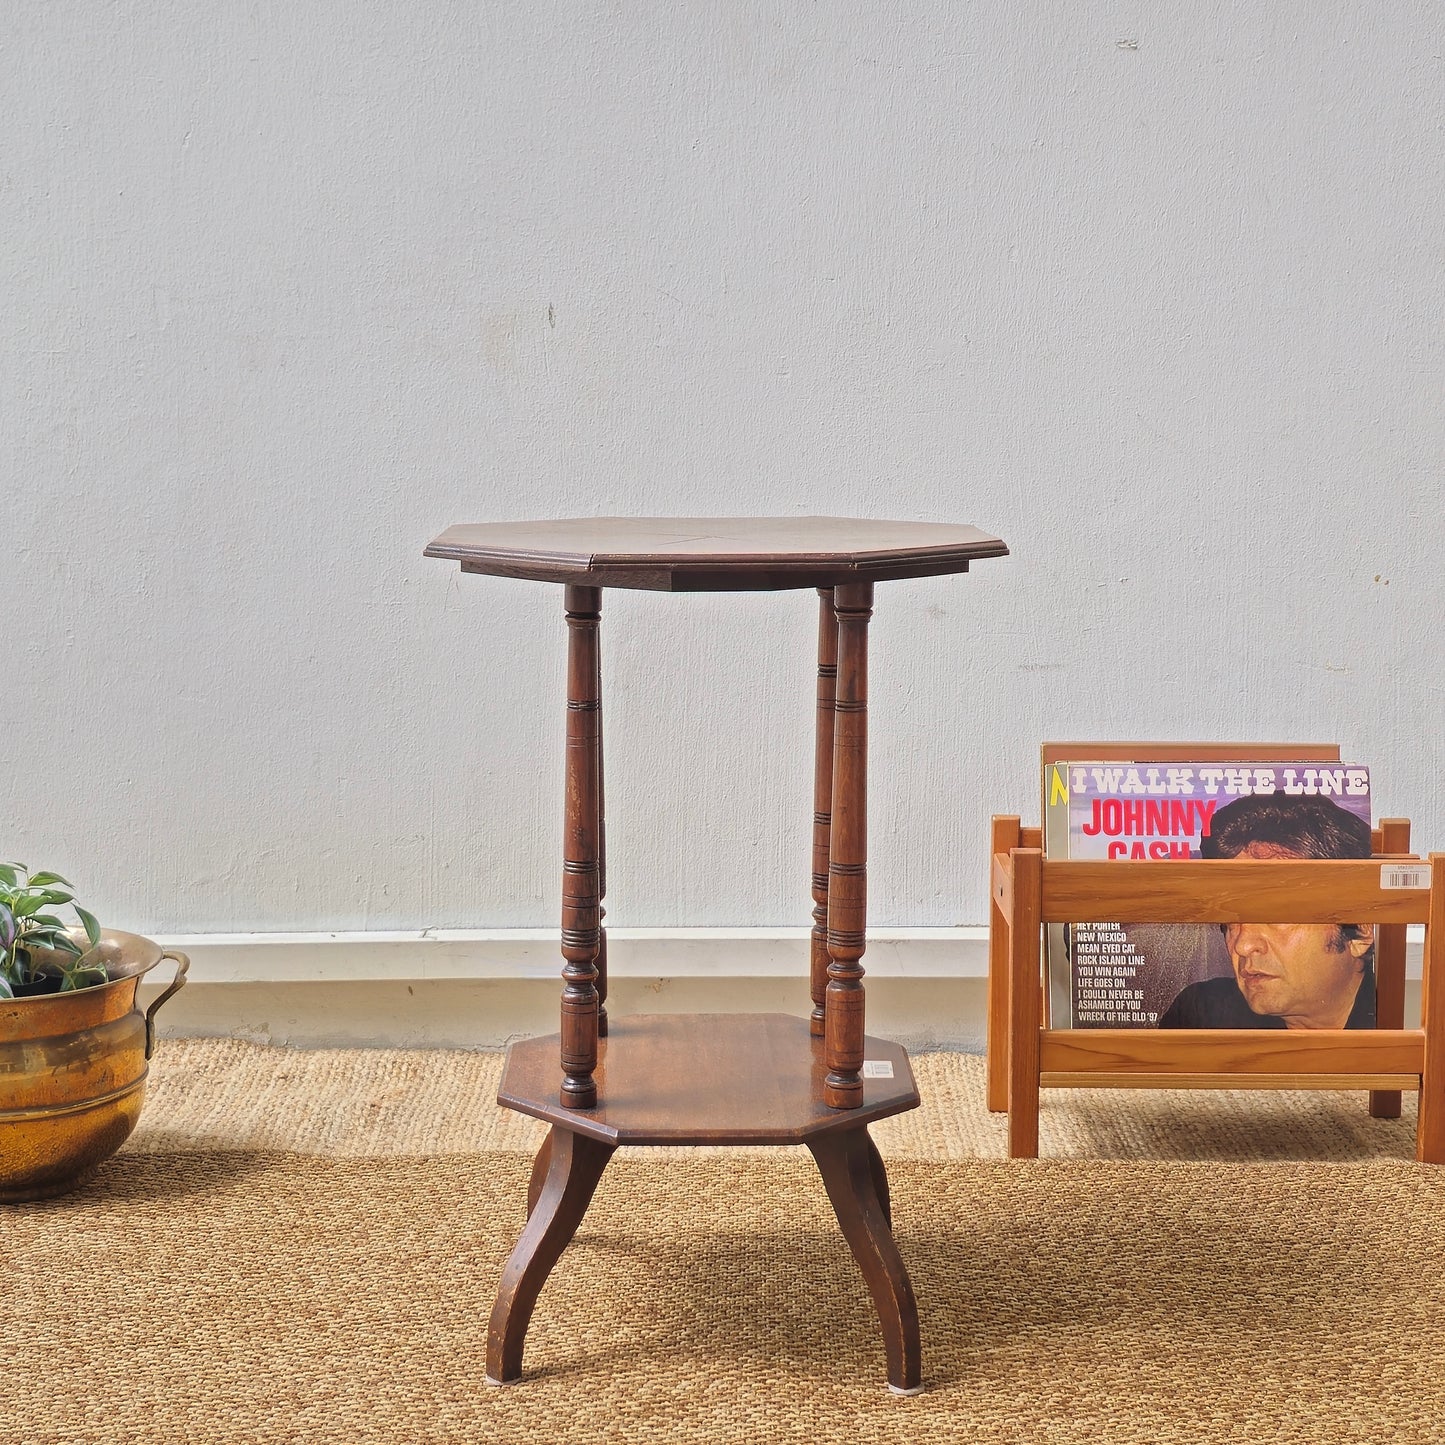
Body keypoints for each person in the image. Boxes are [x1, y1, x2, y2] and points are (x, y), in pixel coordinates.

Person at [1158, 793, 1376, 1029]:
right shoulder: (1201, 1015)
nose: (1242, 946)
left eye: (1275, 913)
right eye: (1231, 917)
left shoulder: (1398, 1019)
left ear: (1361, 929)